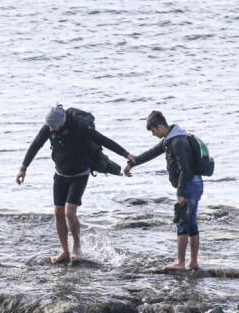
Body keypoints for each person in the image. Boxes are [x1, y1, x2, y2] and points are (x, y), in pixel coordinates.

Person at [17, 105, 135, 264]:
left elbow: (103, 140)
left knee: (69, 212)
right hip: (60, 174)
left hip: (79, 174)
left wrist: (126, 154)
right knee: (58, 212)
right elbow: (36, 144)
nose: (51, 130)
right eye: (49, 126)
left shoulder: (79, 128)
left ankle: (77, 247)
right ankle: (65, 251)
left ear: (62, 122)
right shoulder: (49, 126)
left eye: (54, 126)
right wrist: (23, 168)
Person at [124, 110, 203, 271]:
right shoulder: (172, 138)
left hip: (188, 185)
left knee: (182, 223)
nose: (153, 134)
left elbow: (185, 170)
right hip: (195, 183)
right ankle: (193, 262)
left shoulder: (177, 142)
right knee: (192, 223)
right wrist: (132, 163)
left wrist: (180, 193)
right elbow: (151, 153)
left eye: (153, 131)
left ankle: (180, 262)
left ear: (159, 126)